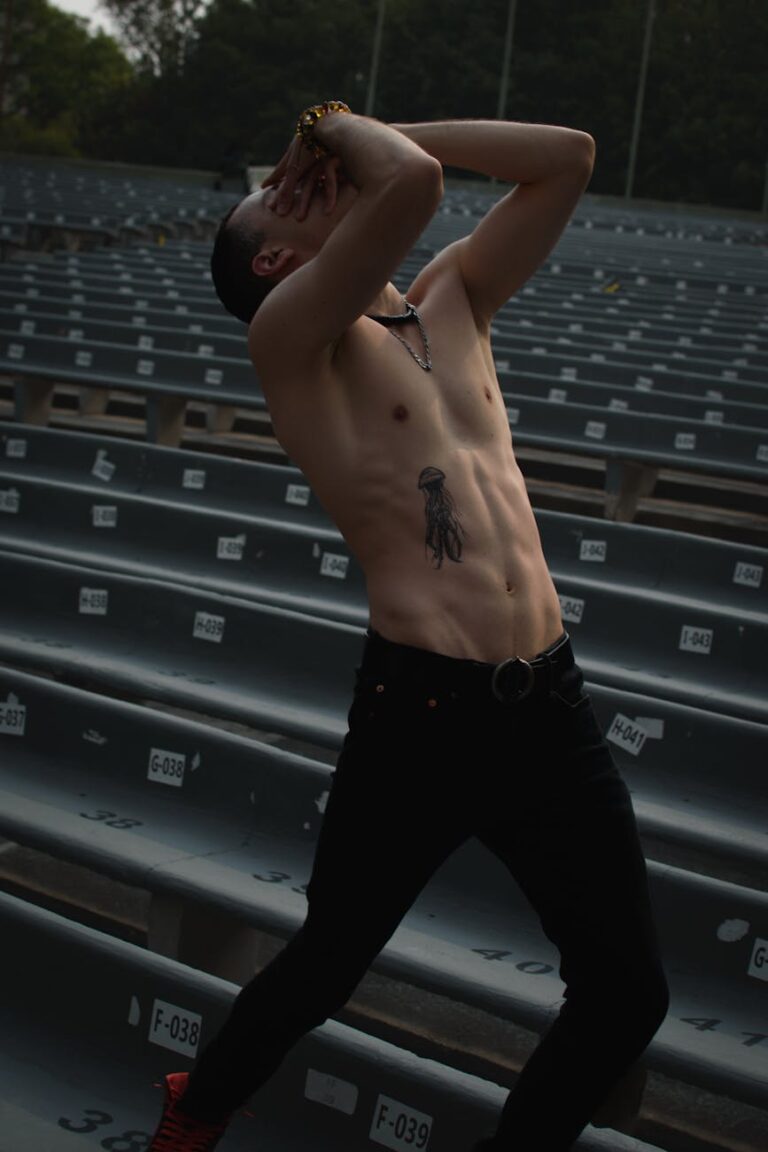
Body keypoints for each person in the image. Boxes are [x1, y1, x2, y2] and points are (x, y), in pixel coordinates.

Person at [148, 101, 669, 1152]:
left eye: (311, 178)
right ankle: (193, 1114)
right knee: (327, 965)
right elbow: (412, 186)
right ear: (275, 265)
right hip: (424, 711)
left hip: (547, 703)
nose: (319, 188)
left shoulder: (452, 302)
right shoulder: (295, 341)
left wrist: (365, 131)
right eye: (291, 199)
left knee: (627, 994)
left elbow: (569, 156)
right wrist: (332, 126)